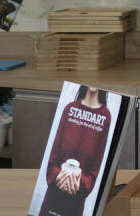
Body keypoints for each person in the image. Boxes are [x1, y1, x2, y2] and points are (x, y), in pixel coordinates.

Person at [39, 85, 112, 216]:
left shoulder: (105, 116)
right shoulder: (70, 109)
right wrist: (58, 177)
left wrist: (78, 182)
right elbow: (52, 161)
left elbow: (94, 174)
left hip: (75, 205)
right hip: (52, 199)